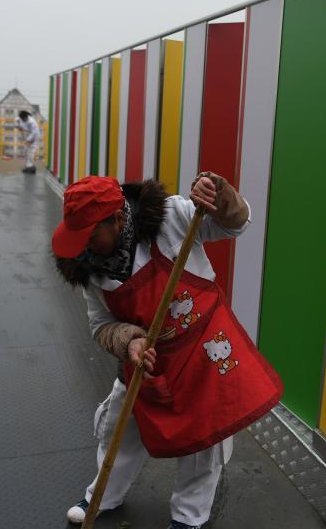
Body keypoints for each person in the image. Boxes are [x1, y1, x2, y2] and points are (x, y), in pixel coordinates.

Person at [52, 173, 282, 529]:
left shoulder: (173, 217)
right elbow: (100, 327)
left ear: (115, 219)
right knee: (120, 427)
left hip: (204, 350)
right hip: (147, 361)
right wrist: (131, 340)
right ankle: (102, 494)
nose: (83, 246)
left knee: (205, 439)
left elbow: (235, 224)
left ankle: (188, 517)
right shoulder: (91, 271)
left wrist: (219, 194)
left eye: (89, 235)